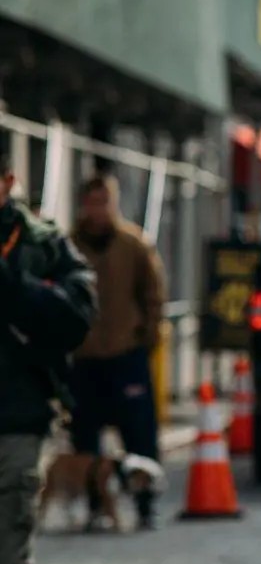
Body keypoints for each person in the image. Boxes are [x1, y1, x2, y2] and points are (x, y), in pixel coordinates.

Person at [0, 155, 97, 564]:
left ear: (8, 183)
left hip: (16, 412)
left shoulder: (39, 243)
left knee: (9, 539)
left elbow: (79, 314)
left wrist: (18, 287)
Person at [70, 175, 165, 530]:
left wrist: (147, 337)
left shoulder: (134, 245)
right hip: (85, 356)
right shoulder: (69, 245)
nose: (98, 210)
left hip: (126, 353)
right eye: (92, 202)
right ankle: (96, 504)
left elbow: (153, 295)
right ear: (83, 204)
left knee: (139, 433)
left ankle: (144, 501)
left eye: (104, 201)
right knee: (85, 436)